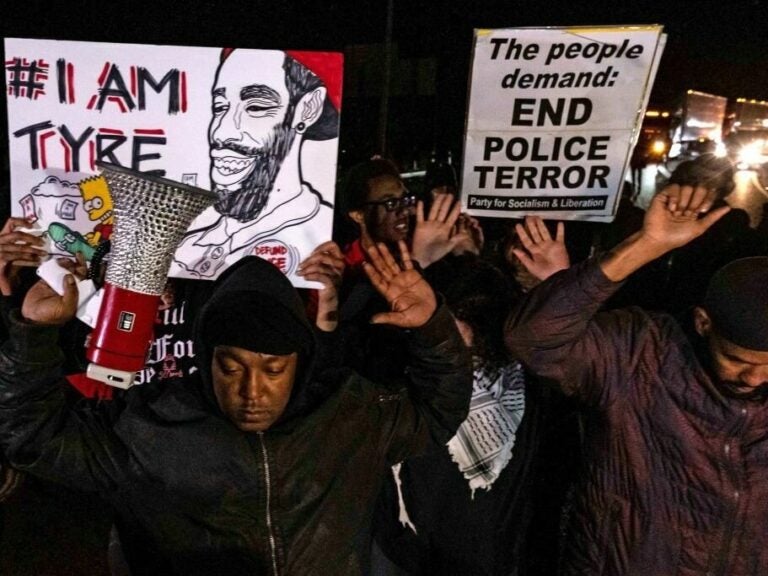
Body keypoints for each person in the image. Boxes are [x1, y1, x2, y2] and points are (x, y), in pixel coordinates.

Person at [0, 240, 472, 575]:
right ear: (206, 361)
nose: (252, 391)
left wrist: (433, 328)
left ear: (299, 362)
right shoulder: (149, 427)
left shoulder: (349, 416)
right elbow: (33, 437)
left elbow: (437, 412)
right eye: (232, 368)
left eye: (273, 370)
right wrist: (32, 332)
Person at [505, 181, 768, 575]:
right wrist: (645, 245)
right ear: (702, 323)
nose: (756, 377)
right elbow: (533, 339)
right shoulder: (640, 353)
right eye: (737, 360)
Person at [372, 253, 581, 576]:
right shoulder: (400, 376)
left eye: (465, 321)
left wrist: (560, 295)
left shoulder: (533, 380)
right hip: (407, 558)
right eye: (440, 320)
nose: (452, 335)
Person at [172, 48, 340, 279]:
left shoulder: (316, 245)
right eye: (220, 107)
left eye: (256, 107)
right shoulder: (188, 245)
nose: (221, 132)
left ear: (307, 109)